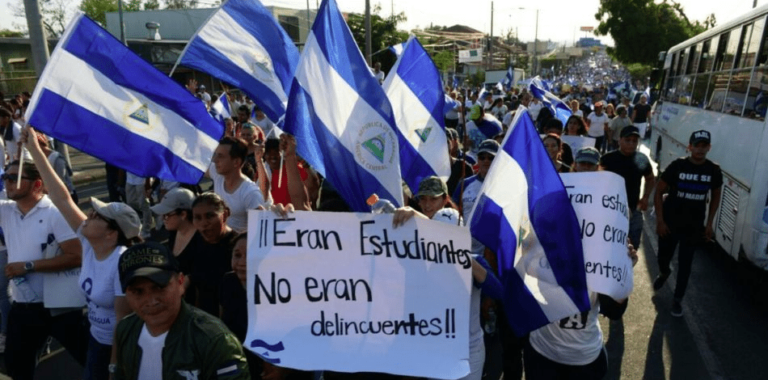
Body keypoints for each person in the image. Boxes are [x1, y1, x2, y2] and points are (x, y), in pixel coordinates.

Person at [24, 125, 143, 380]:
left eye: (97, 215)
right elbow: (61, 197)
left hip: (119, 347)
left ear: (112, 233)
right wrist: (34, 148)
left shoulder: (122, 262)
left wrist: (114, 367)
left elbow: (122, 323)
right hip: (95, 339)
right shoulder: (90, 243)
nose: (88, 215)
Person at [524, 147, 638, 379]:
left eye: (591, 165)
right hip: (542, 352)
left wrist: (622, 269)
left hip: (583, 359)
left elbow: (614, 310)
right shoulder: (550, 215)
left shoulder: (603, 244)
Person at [393, 176, 503, 380]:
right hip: (435, 347)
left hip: (469, 351)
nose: (445, 241)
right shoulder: (420, 261)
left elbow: (497, 291)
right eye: (439, 235)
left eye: (449, 235)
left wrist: (468, 262)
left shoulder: (473, 260)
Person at [1, 159, 87, 380]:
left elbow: (77, 256)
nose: (7, 183)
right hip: (24, 306)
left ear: (37, 185)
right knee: (16, 367)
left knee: (90, 362)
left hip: (60, 307)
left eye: (13, 178)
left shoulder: (55, 213)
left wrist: (28, 267)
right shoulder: (8, 211)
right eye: (5, 177)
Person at [114, 241, 250, 379]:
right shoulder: (126, 329)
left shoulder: (215, 342)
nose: (151, 301)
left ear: (180, 282)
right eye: (138, 291)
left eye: (159, 287)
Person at [653, 130, 722, 317]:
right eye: (696, 145)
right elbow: (658, 192)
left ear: (709, 147)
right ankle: (664, 272)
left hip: (693, 226)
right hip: (669, 223)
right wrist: (660, 221)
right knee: (663, 258)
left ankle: (677, 300)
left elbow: (716, 195)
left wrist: (709, 224)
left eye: (704, 146)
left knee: (685, 264)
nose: (700, 149)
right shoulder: (677, 166)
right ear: (689, 147)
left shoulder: (713, 170)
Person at [600, 126, 655, 247]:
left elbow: (650, 178)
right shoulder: (608, 159)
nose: (631, 143)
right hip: (610, 209)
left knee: (632, 246)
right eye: (627, 140)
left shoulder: (640, 159)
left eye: (634, 141)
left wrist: (645, 197)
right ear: (619, 140)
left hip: (634, 210)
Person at [189, 192, 238, 315]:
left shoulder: (238, 248)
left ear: (225, 215)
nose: (204, 223)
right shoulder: (196, 242)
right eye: (197, 218)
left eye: (210, 216)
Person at [208, 136, 268, 233]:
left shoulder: (250, 193)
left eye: (221, 156)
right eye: (215, 155)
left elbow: (260, 230)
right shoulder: (217, 173)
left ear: (236, 162)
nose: (215, 160)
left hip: (237, 245)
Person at [150, 188, 201, 302]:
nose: (163, 219)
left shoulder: (201, 238)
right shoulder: (173, 232)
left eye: (167, 215)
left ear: (183, 214)